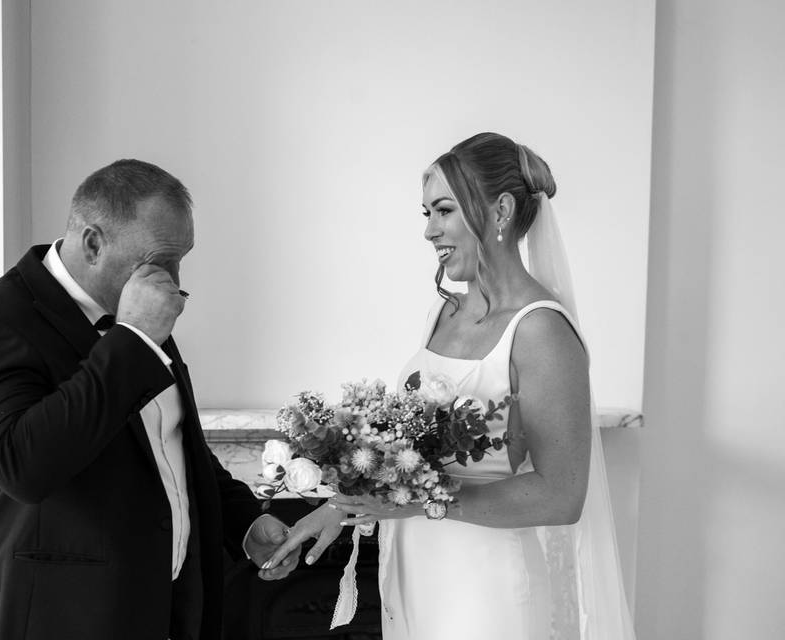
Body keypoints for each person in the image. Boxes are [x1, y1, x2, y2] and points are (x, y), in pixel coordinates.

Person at [265, 133, 635, 639]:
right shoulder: (445, 311)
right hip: (415, 574)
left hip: (484, 589)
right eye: (426, 214)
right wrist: (337, 508)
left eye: (444, 211)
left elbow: (561, 496)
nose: (429, 231)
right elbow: (410, 456)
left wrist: (416, 503)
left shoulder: (540, 331)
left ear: (500, 210)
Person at [0, 159, 299, 640]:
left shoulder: (136, 309)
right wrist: (132, 338)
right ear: (93, 243)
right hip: (61, 619)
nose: (173, 282)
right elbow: (22, 466)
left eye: (181, 259)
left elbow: (170, 445)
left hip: (168, 613)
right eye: (158, 261)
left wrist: (243, 523)